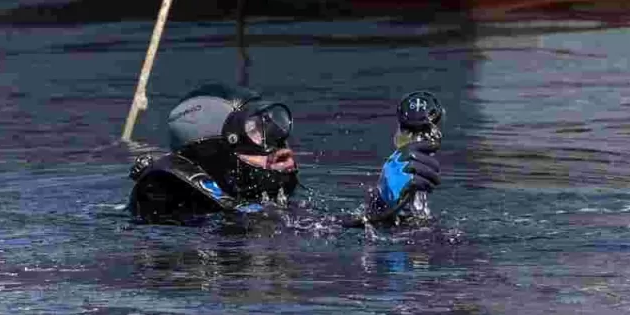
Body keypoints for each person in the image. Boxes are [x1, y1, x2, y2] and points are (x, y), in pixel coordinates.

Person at [128, 83, 442, 225]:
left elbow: (313, 225)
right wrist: (382, 213)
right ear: (215, 152)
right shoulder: (167, 201)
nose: (282, 149)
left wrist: (383, 205)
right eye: (256, 133)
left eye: (277, 130)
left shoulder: (263, 208)